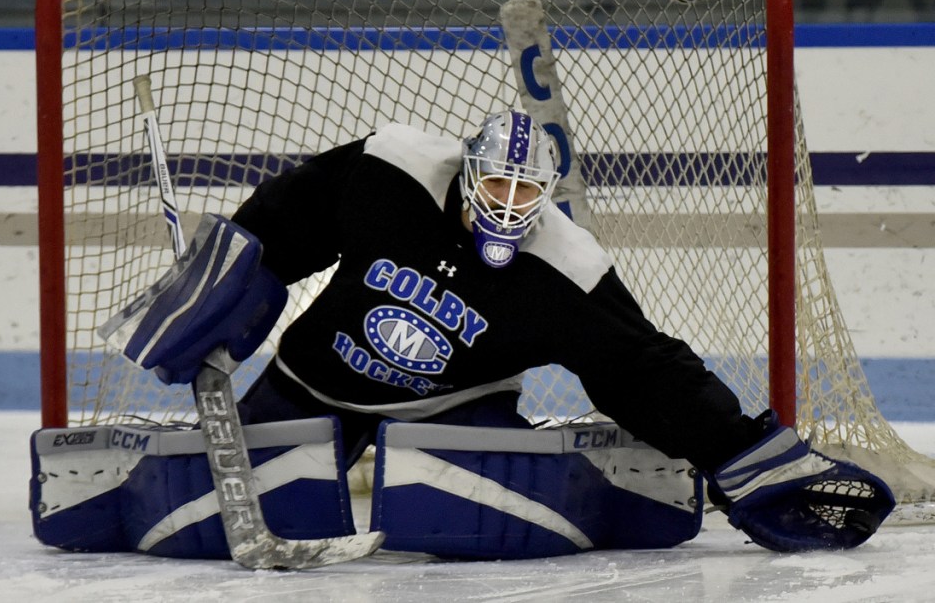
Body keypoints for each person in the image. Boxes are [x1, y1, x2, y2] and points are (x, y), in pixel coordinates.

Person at [115, 109, 894, 552]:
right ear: (466, 171)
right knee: (226, 519)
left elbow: (641, 367)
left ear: (548, 191)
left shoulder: (567, 265)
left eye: (527, 188)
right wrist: (224, 283)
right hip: (317, 379)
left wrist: (737, 449)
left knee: (464, 530)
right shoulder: (394, 171)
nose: (508, 199)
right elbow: (295, 213)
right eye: (495, 180)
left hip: (452, 413)